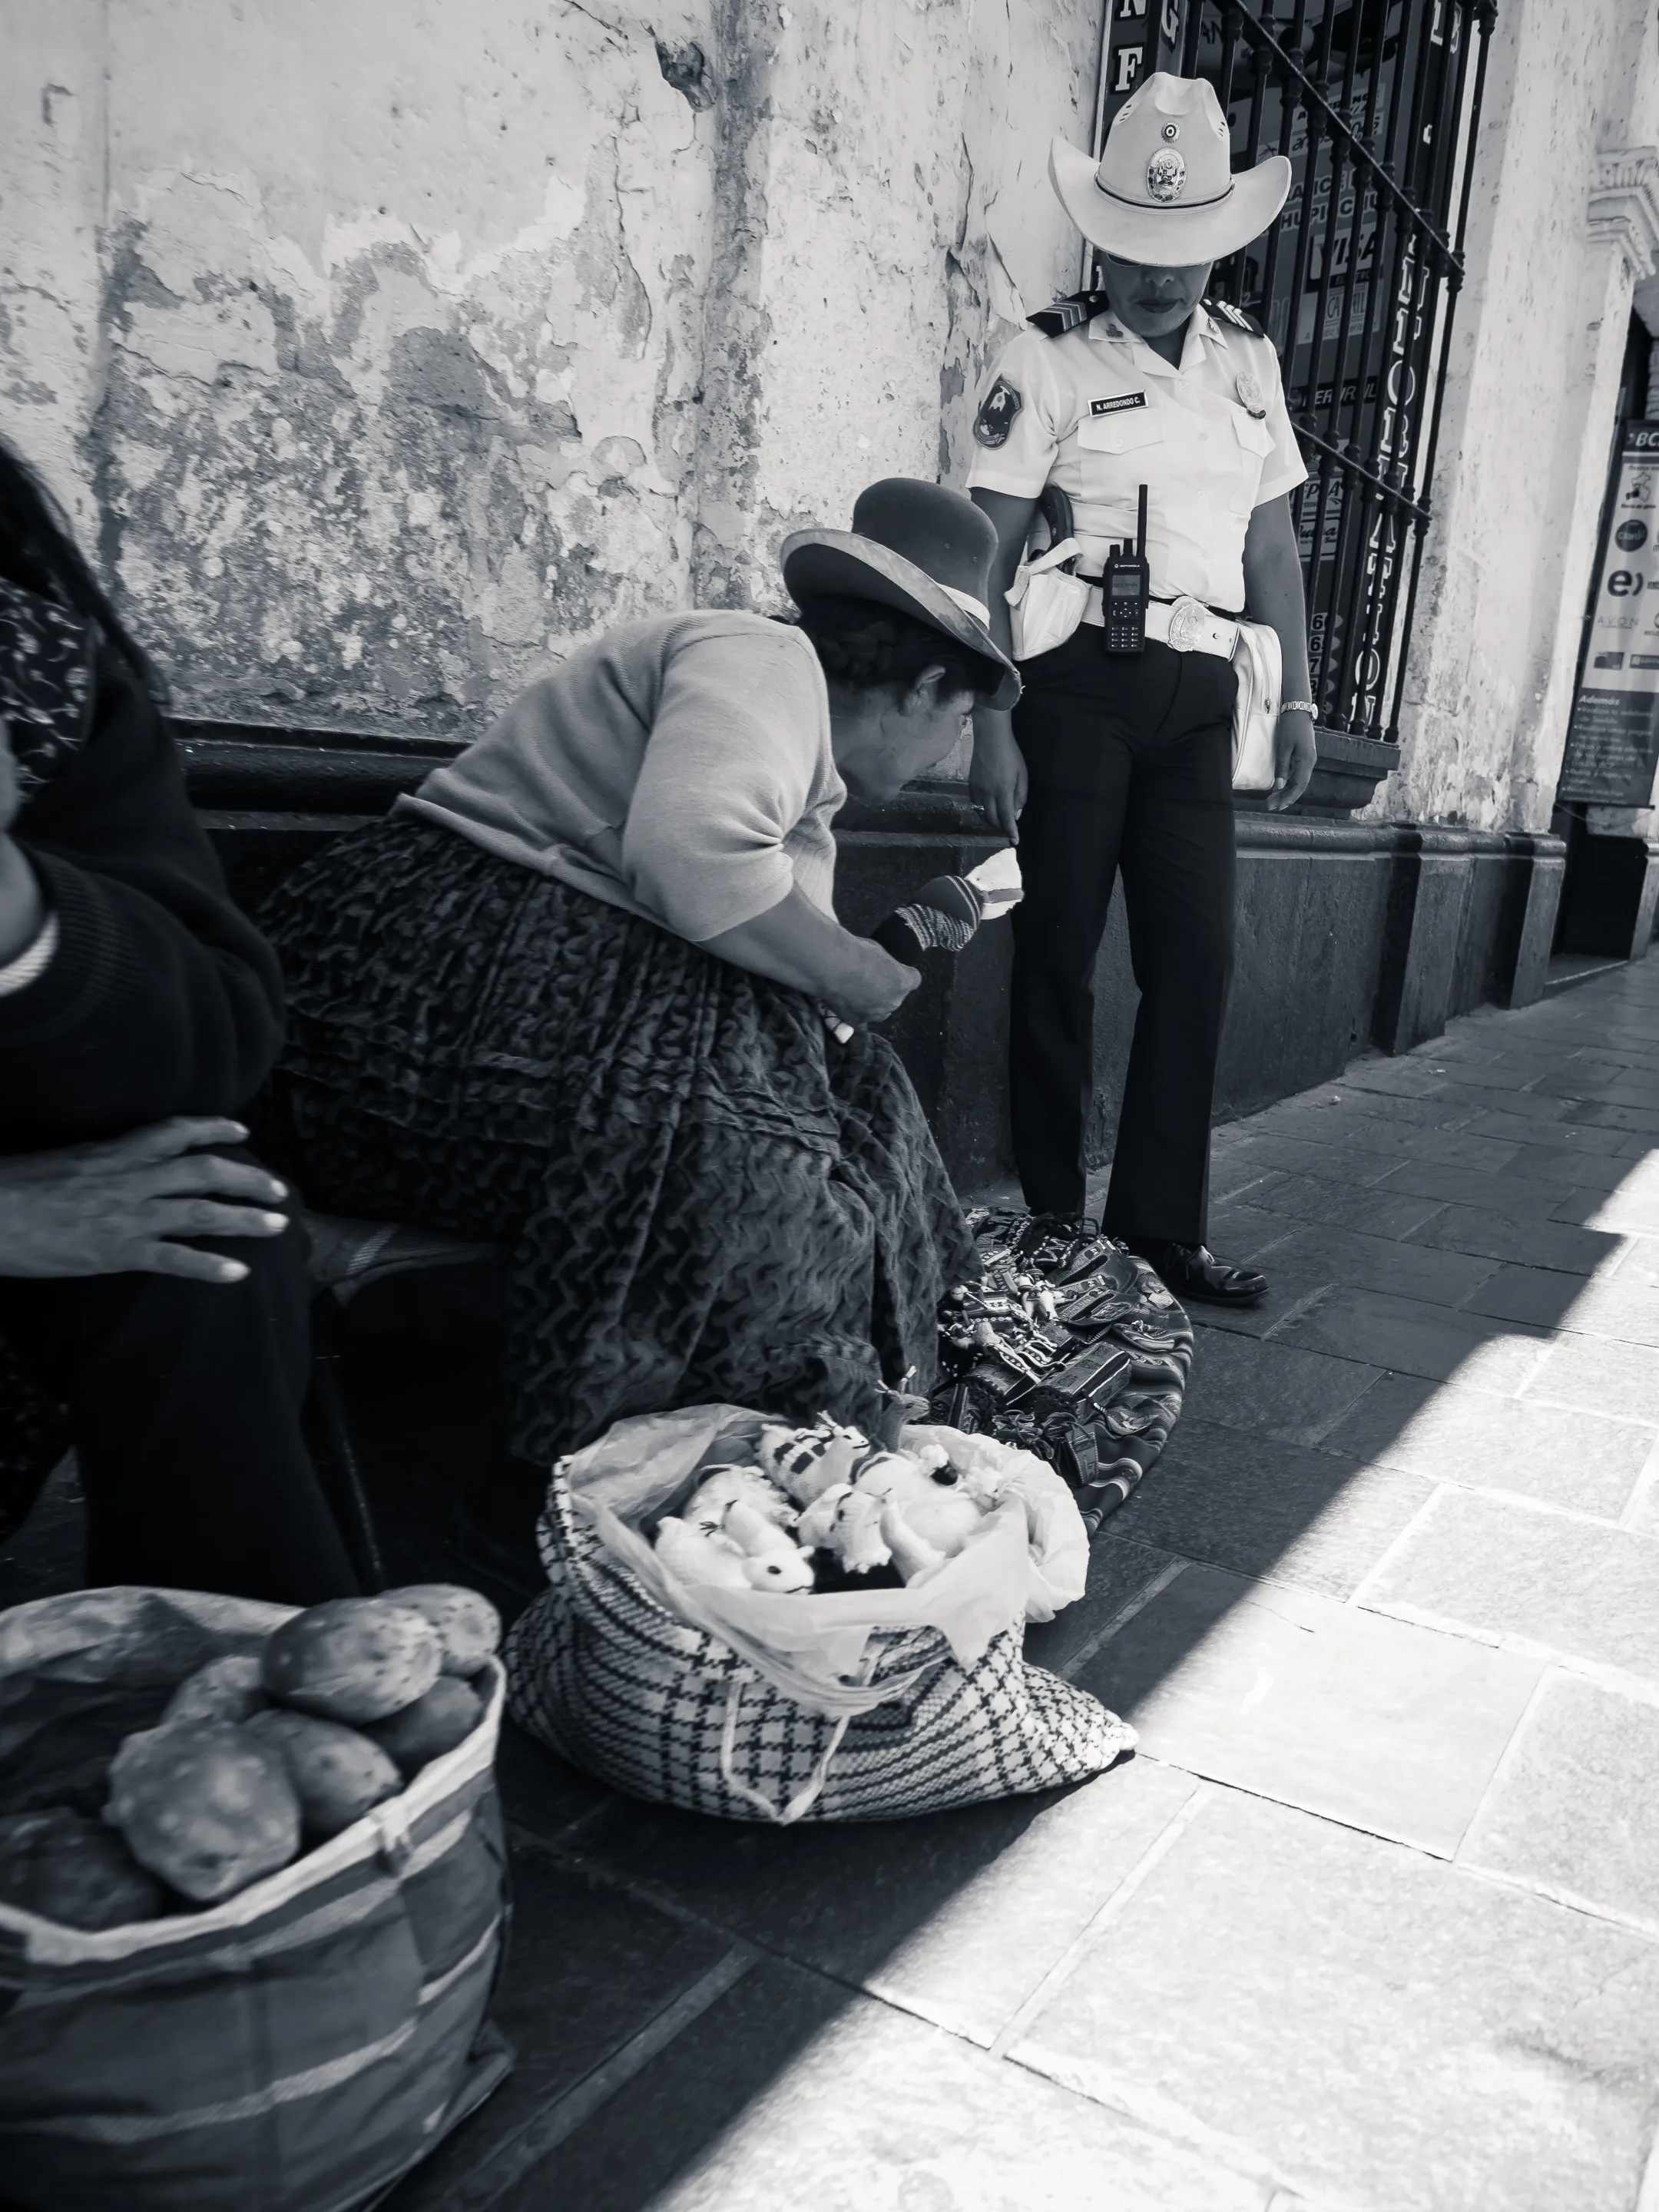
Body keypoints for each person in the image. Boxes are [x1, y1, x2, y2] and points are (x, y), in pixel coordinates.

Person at [252, 479, 1020, 1541]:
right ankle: (719, 1460)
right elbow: (691, 853)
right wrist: (847, 971)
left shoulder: (803, 780)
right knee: (730, 1156)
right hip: (424, 994)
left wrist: (840, 996)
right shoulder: (762, 661)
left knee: (859, 1106)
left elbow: (776, 966)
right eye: (959, 720)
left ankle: (887, 1391)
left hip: (556, 1003)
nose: (944, 754)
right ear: (927, 682)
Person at [966, 71, 1317, 1307]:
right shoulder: (1047, 355)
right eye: (1131, 246)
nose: (1154, 275)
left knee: (1197, 959)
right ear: (1101, 232)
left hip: (1201, 695)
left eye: (1181, 252)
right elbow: (989, 542)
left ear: (1218, 244)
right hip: (1074, 683)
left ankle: (1161, 1232)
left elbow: (1270, 548)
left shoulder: (1250, 366)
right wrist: (991, 712)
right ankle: (1058, 1232)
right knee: (1055, 952)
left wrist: (1303, 703)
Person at [0, 440, 359, 1601]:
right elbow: (700, 865)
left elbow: (216, 1026)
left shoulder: (30, 650)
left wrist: (19, 917)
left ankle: (238, 1693)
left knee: (213, 1217)